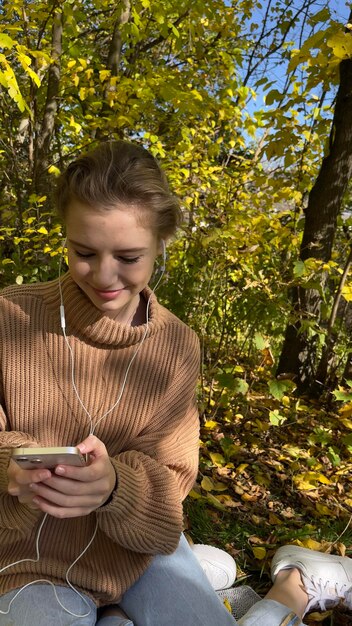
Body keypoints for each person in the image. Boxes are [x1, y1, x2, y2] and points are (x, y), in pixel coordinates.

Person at [0, 140, 351, 626]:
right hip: (26, 564)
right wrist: (11, 466)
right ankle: (184, 583)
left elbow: (171, 479)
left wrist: (114, 486)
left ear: (161, 244)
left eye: (128, 256)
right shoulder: (9, 314)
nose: (104, 275)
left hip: (136, 551)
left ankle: (294, 586)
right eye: (84, 252)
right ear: (65, 236)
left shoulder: (177, 345)